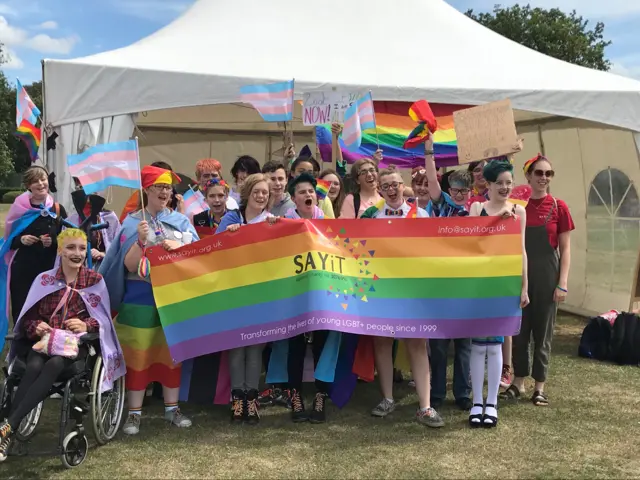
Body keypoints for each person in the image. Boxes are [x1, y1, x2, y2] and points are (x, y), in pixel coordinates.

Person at [0, 228, 125, 460]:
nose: (76, 253)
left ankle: (8, 426)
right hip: (43, 344)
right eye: (70, 248)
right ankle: (8, 430)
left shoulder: (94, 281)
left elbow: (104, 320)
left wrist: (86, 325)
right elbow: (27, 317)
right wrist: (36, 326)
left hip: (76, 351)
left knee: (54, 364)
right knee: (35, 365)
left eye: (81, 248)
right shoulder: (44, 280)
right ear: (60, 251)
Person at [100, 165, 199, 435]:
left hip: (172, 297)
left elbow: (197, 256)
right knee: (138, 354)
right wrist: (140, 242)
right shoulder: (132, 223)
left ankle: (172, 409)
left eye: (168, 187)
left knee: (172, 353)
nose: (165, 192)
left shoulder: (181, 221)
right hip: (140, 296)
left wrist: (180, 247)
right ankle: (134, 414)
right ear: (147, 190)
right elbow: (128, 265)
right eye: (159, 187)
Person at [359, 166, 443, 427]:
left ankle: (425, 406)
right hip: (382, 288)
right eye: (386, 186)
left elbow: (433, 251)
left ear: (402, 185)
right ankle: (387, 398)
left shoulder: (421, 214)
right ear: (380, 190)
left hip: (413, 290)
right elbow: (360, 249)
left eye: (395, 184)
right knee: (382, 342)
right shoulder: (371, 215)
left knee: (416, 344)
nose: (392, 189)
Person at [504, 154, 575, 406]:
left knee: (543, 332)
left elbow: (565, 249)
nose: (544, 178)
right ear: (528, 176)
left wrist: (562, 282)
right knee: (520, 330)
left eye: (548, 174)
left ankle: (540, 386)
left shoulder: (558, 206)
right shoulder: (516, 206)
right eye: (539, 173)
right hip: (520, 273)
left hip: (547, 273)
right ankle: (518, 382)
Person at [272, 173, 338, 423]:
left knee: (322, 344)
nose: (308, 195)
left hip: (321, 295)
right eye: (302, 192)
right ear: (294, 199)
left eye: (311, 191)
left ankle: (321, 396)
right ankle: (295, 396)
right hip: (294, 294)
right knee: (295, 346)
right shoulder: (283, 223)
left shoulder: (328, 224)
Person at [468, 160, 528, 427]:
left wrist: (524, 286)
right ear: (488, 184)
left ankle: (491, 402)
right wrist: (495, 222)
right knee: (477, 345)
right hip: (480, 284)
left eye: (508, 182)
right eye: (500, 182)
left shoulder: (519, 211)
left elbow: (521, 250)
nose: (505, 187)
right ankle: (476, 401)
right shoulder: (477, 208)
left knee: (495, 345)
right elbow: (472, 242)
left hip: (505, 283)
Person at [216, 173, 278, 424]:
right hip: (234, 291)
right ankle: (237, 399)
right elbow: (214, 249)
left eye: (265, 192)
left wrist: (278, 231)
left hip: (261, 294)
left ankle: (250, 399)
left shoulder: (272, 221)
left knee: (255, 347)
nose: (261, 195)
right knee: (236, 347)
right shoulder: (232, 218)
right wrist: (228, 235)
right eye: (257, 191)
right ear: (248, 193)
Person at [421, 139, 472, 410]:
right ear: (449, 190)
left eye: (464, 190)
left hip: (466, 285)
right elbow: (431, 181)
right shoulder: (443, 206)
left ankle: (463, 394)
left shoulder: (478, 213)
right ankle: (437, 393)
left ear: (471, 191)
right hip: (440, 284)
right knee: (439, 345)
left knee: (464, 344)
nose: (459, 194)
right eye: (455, 190)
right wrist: (429, 151)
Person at [0, 166, 67, 339]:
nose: (40, 183)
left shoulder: (58, 209)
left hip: (48, 269)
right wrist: (21, 240)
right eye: (35, 181)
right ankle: (20, 352)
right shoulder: (19, 209)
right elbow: (9, 241)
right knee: (23, 310)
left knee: (47, 310)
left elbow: (66, 241)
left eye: (43, 179)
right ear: (29, 186)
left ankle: (46, 346)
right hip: (23, 271)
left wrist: (52, 242)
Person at [68, 179, 121, 270]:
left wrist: (102, 254)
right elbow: (63, 251)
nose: (89, 193)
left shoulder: (109, 218)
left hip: (103, 271)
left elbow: (119, 248)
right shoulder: (71, 221)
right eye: (82, 187)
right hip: (76, 272)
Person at [119, 161, 184, 222]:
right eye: (159, 186)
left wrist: (180, 213)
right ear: (147, 188)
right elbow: (125, 222)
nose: (164, 191)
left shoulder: (174, 202)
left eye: (168, 187)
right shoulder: (137, 201)